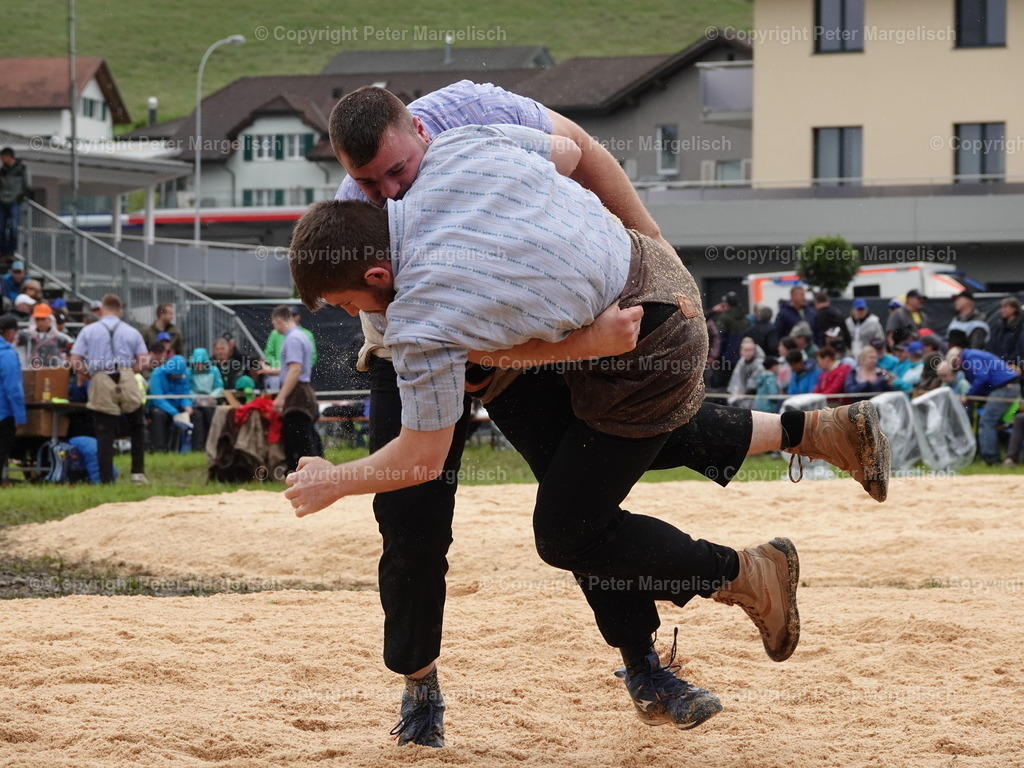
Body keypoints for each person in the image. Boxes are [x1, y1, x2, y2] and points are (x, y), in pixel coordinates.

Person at [317, 86, 890, 744]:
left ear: (423, 130)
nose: (390, 191)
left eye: (397, 170)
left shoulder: (472, 116)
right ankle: (420, 688)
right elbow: (418, 354)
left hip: (520, 326)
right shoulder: (361, 224)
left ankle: (647, 664)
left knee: (579, 497)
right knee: (412, 520)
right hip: (414, 341)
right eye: (371, 182)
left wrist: (652, 246)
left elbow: (580, 151)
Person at [68, 293, 148, 484]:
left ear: (102, 310)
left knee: (104, 431)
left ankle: (106, 479)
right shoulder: (132, 331)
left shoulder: (89, 331)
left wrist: (89, 375)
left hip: (100, 376)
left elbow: (75, 360)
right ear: (120, 311)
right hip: (126, 374)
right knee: (137, 424)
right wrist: (130, 371)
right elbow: (144, 360)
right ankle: (137, 473)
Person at [267, 304, 322, 473]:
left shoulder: (292, 339)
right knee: (303, 436)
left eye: (274, 324)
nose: (275, 328)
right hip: (301, 390)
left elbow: (295, 370)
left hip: (297, 393)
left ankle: (306, 473)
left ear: (278, 320)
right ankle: (310, 471)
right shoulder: (301, 335)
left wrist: (281, 397)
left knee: (300, 440)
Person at [947, 346, 1021, 465]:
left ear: (957, 358)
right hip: (1007, 387)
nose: (956, 367)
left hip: (1004, 388)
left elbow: (982, 377)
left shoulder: (970, 358)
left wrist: (968, 395)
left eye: (954, 363)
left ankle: (991, 459)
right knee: (989, 420)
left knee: (987, 421)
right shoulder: (972, 355)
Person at [147, 354, 193, 452]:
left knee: (196, 415)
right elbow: (158, 399)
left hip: (177, 405)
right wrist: (175, 413)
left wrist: (187, 406)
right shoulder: (157, 374)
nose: (177, 376)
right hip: (159, 406)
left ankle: (196, 447)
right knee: (159, 415)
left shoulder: (184, 375)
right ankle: (159, 448)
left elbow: (185, 394)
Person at [0, 314, 26, 484]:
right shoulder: (7, 354)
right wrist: (20, 416)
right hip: (3, 412)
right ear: (10, 332)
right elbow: (13, 389)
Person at [16, 302, 73, 368]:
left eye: (43, 319)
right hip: (32, 371)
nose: (40, 322)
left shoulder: (62, 338)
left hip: (53, 371)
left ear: (50, 319)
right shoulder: (25, 336)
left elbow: (71, 356)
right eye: (37, 319)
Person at [188, 347, 224, 452]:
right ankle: (198, 447)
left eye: (201, 364)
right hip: (195, 403)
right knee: (197, 417)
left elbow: (219, 387)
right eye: (197, 364)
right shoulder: (189, 372)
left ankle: (213, 444)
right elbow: (188, 389)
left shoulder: (214, 371)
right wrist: (195, 398)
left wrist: (212, 396)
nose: (199, 366)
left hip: (210, 402)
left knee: (210, 416)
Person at [263, 305, 318, 372]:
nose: (290, 318)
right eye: (288, 316)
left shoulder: (298, 336)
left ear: (298, 317)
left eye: (293, 315)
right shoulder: (276, 333)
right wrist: (277, 367)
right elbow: (268, 353)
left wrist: (280, 370)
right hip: (282, 374)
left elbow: (296, 368)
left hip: (294, 375)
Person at [0, 148, 29, 261]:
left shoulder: (21, 169)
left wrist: (21, 196)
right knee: (1, 228)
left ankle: (11, 251)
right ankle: (3, 252)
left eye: (3, 157)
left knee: (13, 228)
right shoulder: (2, 170)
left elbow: (26, 184)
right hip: (2, 202)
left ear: (8, 156)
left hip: (14, 201)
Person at [987, 296, 1024, 375]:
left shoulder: (1020, 327)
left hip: (1014, 367)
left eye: (1005, 307)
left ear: (1014, 309)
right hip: (998, 364)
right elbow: (993, 345)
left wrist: (1012, 362)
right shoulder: (1000, 327)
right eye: (1001, 307)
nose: (1002, 310)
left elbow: (1020, 348)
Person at [726, 336, 765, 409]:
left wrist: (744, 394)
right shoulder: (741, 362)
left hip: (754, 398)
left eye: (751, 350)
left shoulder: (759, 364)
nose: (748, 353)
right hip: (742, 395)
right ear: (741, 350)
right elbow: (735, 380)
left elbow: (753, 385)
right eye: (746, 350)